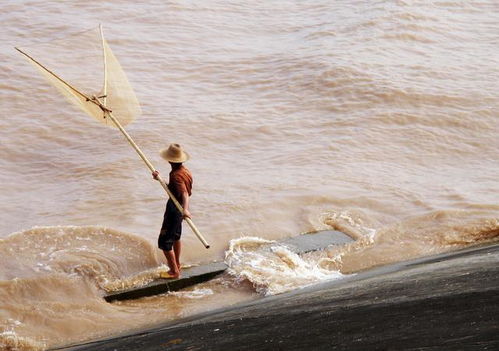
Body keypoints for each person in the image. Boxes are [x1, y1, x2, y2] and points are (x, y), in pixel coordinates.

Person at [152, 143, 192, 279]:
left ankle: (174, 271)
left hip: (175, 209)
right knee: (175, 237)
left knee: (164, 242)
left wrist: (185, 210)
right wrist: (160, 179)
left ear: (169, 160)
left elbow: (185, 194)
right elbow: (174, 190)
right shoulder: (184, 171)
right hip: (178, 207)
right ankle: (177, 264)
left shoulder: (176, 175)